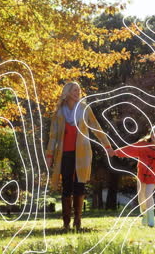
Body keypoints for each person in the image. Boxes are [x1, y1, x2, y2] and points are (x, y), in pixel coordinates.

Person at [45, 82, 114, 230]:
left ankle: (78, 221)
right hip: (64, 154)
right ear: (68, 92)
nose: (77, 92)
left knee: (80, 185)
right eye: (74, 90)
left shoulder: (84, 109)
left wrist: (107, 145)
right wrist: (49, 155)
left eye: (78, 90)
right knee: (66, 187)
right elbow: (53, 136)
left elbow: (96, 127)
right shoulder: (59, 112)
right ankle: (66, 223)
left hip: (82, 153)